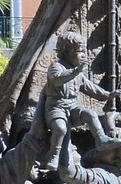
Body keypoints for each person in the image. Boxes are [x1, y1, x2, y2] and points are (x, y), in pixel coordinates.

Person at [39, 32, 115, 173]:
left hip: (72, 107)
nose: (83, 55)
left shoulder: (78, 74)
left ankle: (101, 140)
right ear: (67, 51)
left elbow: (91, 88)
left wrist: (107, 95)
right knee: (60, 128)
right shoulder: (56, 67)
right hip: (56, 107)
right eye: (80, 51)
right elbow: (57, 79)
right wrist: (76, 71)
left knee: (90, 114)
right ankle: (53, 155)